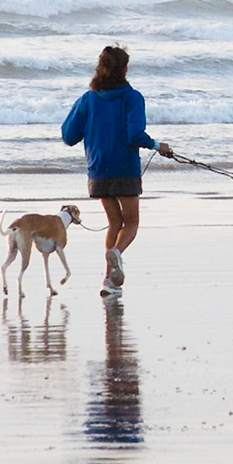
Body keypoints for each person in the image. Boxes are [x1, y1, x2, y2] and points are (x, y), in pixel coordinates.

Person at [61, 45, 171, 297]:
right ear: (125, 69)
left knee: (114, 223)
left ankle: (108, 282)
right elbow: (135, 134)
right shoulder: (132, 97)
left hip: (98, 170)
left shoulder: (87, 99)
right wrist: (158, 146)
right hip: (124, 167)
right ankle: (117, 255)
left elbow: (68, 136)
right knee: (131, 223)